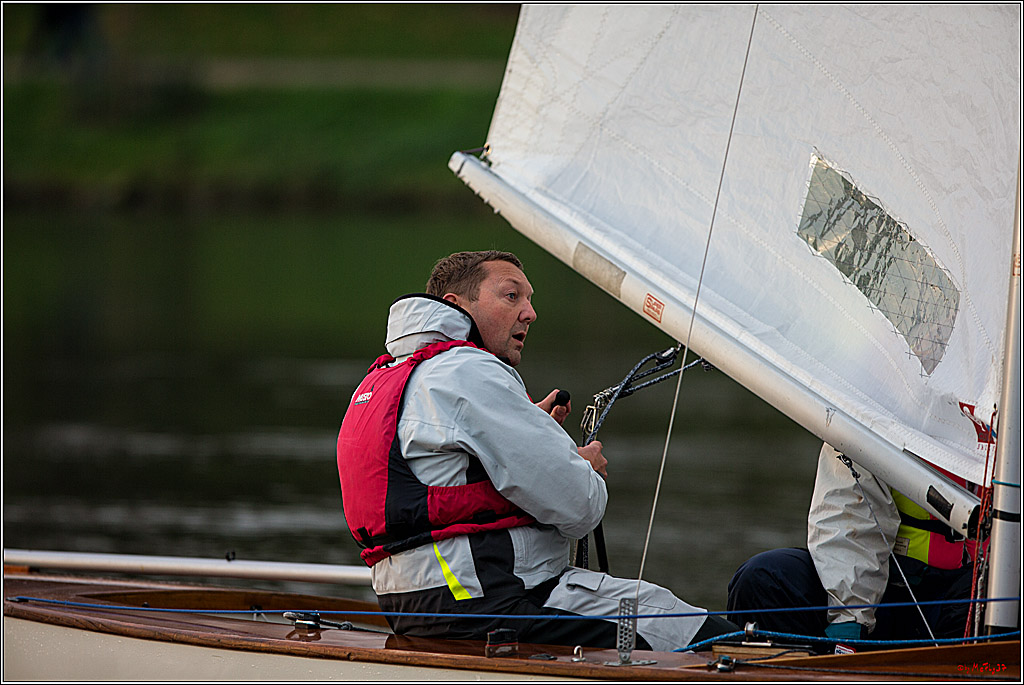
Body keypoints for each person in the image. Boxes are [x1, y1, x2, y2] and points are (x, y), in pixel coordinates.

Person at [337, 250, 736, 651]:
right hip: (496, 601)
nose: (529, 313)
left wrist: (533, 431)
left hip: (414, 604)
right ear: (457, 305)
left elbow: (448, 474)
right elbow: (580, 507)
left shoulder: (384, 379)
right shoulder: (469, 371)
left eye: (529, 299)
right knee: (698, 634)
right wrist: (582, 465)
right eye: (511, 296)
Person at [727, 442, 981, 651]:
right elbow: (848, 510)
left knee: (991, 601)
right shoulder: (884, 397)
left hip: (959, 596)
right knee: (762, 579)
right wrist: (850, 616)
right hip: (878, 593)